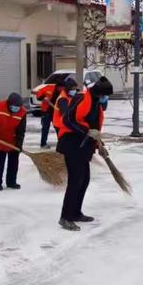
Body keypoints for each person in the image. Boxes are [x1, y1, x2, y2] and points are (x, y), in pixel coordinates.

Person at [56, 77, 113, 231]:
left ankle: (75, 212)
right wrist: (86, 131)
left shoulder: (95, 103)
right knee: (75, 181)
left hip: (84, 147)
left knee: (84, 180)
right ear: (99, 93)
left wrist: (98, 144)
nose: (106, 99)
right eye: (105, 96)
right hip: (71, 144)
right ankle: (65, 217)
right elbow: (67, 119)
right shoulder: (80, 98)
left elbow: (94, 127)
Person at [35, 82, 65, 148]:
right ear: (59, 86)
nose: (63, 89)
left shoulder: (63, 92)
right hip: (46, 111)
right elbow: (38, 92)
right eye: (62, 88)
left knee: (58, 127)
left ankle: (61, 144)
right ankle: (43, 144)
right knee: (45, 128)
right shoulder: (49, 87)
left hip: (56, 112)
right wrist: (43, 97)